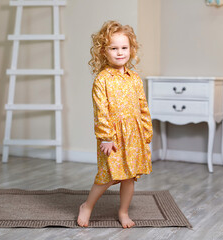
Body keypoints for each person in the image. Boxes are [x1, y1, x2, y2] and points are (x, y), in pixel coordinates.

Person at [77, 20, 153, 229]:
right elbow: (100, 110)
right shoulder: (102, 80)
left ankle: (123, 211)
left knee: (129, 177)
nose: (120, 53)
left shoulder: (134, 78)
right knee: (106, 177)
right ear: (103, 51)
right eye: (114, 48)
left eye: (124, 48)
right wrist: (106, 137)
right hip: (112, 137)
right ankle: (87, 206)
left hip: (134, 135)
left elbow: (143, 106)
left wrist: (146, 133)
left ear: (131, 49)